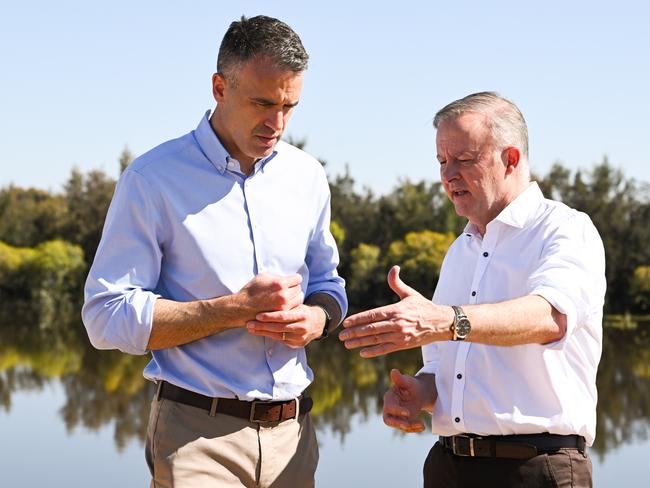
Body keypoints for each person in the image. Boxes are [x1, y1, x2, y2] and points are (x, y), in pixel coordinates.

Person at [82, 15, 347, 488]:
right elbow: (105, 317)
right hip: (196, 438)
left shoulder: (307, 177)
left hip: (295, 437)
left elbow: (329, 285)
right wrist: (230, 311)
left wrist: (318, 320)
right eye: (263, 103)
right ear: (219, 87)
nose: (277, 122)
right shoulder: (152, 179)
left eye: (290, 106)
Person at [339, 92, 605, 487]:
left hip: (536, 470)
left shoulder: (565, 229)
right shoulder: (460, 250)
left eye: (463, 160)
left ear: (510, 159)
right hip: (449, 467)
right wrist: (420, 391)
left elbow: (550, 316)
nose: (448, 175)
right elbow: (446, 367)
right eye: (442, 162)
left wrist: (447, 319)